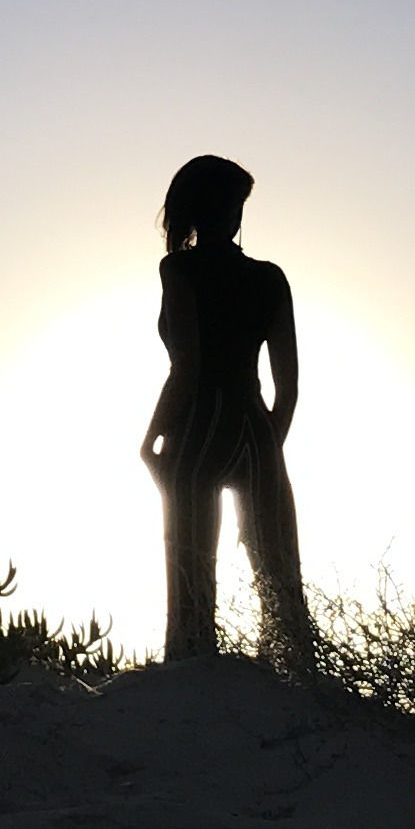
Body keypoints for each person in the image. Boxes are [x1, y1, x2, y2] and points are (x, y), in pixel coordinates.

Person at [137, 154, 316, 672]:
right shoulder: (269, 278)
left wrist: (152, 438)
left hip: (198, 426)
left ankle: (192, 672)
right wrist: (267, 448)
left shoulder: (179, 270)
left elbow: (188, 366)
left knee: (191, 571)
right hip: (254, 425)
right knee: (279, 576)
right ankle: (295, 673)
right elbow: (288, 389)